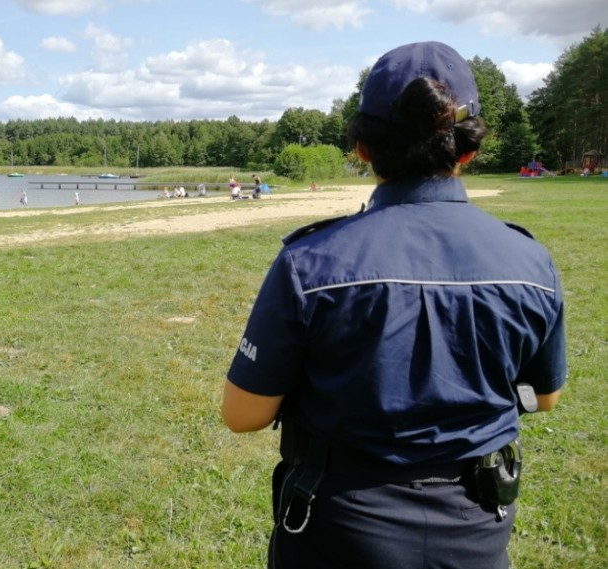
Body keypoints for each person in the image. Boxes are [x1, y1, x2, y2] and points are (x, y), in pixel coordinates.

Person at [221, 41, 566, 569]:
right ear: (469, 149)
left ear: (362, 148)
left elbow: (243, 414)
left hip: (335, 528)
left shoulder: (310, 262)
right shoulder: (530, 261)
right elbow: (545, 397)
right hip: (474, 529)